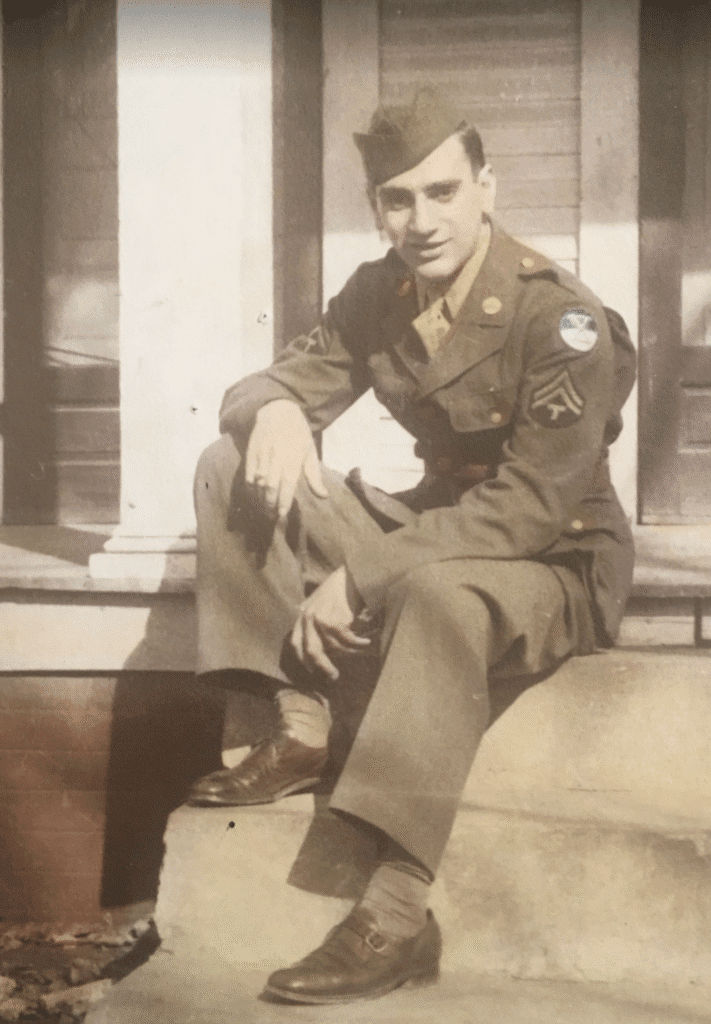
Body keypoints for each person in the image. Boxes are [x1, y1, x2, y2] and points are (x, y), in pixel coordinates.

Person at [187, 86, 636, 1006]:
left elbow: (527, 508)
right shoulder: (378, 293)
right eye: (399, 199)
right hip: (439, 528)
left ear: (485, 189)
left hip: (554, 561)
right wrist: (275, 408)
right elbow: (269, 381)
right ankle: (302, 727)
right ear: (377, 210)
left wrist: (363, 574)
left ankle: (395, 917)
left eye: (441, 192)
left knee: (433, 596)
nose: (421, 220)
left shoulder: (561, 318)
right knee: (227, 461)